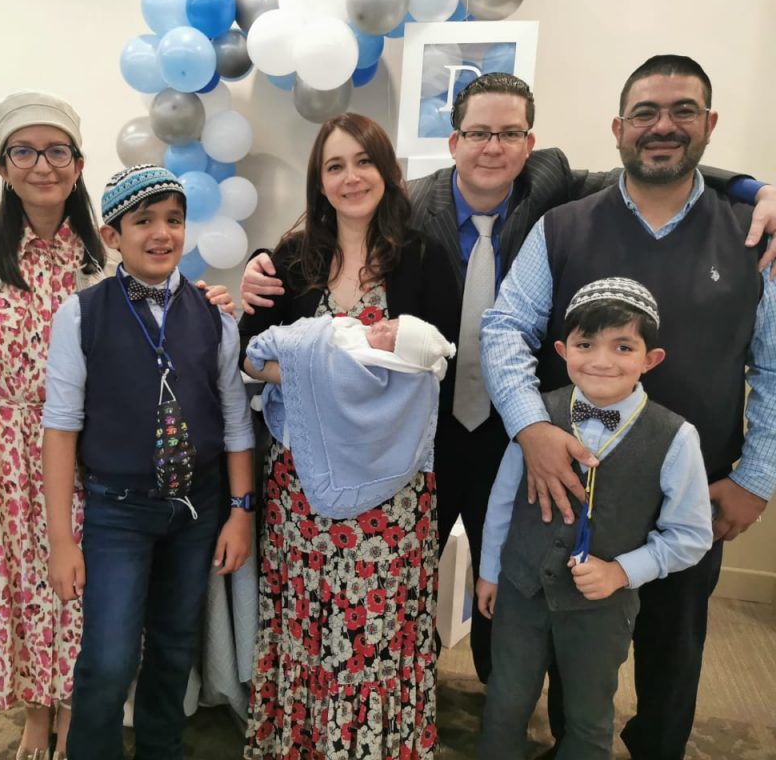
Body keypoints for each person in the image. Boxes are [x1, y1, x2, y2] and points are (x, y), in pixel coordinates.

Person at [240, 72, 776, 685]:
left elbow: (658, 159)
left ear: (529, 143)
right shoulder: (405, 203)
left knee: (511, 583)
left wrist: (756, 187)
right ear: (453, 142)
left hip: (520, 429)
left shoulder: (555, 189)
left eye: (509, 133)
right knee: (396, 580)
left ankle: (500, 703)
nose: (492, 147)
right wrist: (259, 263)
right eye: (477, 133)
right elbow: (327, 224)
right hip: (421, 435)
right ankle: (402, 692)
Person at [480, 55, 776, 760]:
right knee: (573, 644)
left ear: (709, 124)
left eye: (682, 111)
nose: (662, 126)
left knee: (673, 652)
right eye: (645, 112)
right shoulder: (563, 225)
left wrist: (757, 476)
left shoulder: (754, 233)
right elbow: (504, 328)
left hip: (695, 488)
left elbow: (772, 364)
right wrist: (530, 425)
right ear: (618, 128)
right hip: (568, 487)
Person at [0, 95, 233, 760]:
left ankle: (76, 718)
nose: (42, 165)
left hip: (88, 451)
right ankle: (35, 715)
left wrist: (206, 299)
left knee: (84, 605)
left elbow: (157, 306)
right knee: (18, 592)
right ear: (2, 165)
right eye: (24, 151)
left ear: (77, 163)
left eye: (58, 151)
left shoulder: (103, 248)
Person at [239, 112, 458, 759]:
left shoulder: (422, 256)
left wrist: (324, 361)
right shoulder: (290, 259)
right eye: (335, 166)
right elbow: (250, 355)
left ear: (387, 171)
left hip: (392, 489)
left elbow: (439, 358)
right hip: (302, 484)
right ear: (320, 181)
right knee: (308, 620)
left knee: (377, 630)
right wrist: (333, 364)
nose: (351, 177)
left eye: (363, 161)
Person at [41, 164, 255, 760]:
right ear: (113, 235)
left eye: (174, 220)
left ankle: (163, 749)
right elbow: (60, 428)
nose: (162, 234)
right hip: (118, 512)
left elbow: (235, 420)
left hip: (197, 508)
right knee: (109, 657)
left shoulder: (214, 315)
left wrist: (241, 511)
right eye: (143, 222)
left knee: (175, 645)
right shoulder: (80, 315)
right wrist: (61, 540)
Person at [476, 278, 713, 760]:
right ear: (563, 351)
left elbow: (691, 535)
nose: (602, 361)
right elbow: (502, 501)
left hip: (603, 607)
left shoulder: (676, 437)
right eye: (586, 345)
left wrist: (622, 572)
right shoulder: (535, 416)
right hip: (521, 589)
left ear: (650, 359)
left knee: (588, 717)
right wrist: (489, 572)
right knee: (505, 701)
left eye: (623, 347)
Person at [245, 314, 454, 520]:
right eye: (391, 322)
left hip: (389, 497)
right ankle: (269, 397)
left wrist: (321, 377)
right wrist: (303, 372)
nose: (383, 327)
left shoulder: (378, 358)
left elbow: (349, 378)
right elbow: (244, 343)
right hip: (296, 478)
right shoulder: (353, 330)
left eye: (392, 336)